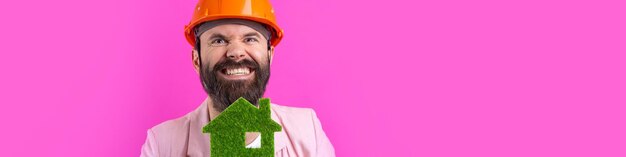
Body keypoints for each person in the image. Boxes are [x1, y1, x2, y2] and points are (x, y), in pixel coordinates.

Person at [140, 0, 335, 156]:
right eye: (219, 40)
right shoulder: (162, 145)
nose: (235, 52)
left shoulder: (307, 132)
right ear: (197, 60)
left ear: (270, 55)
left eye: (250, 38)